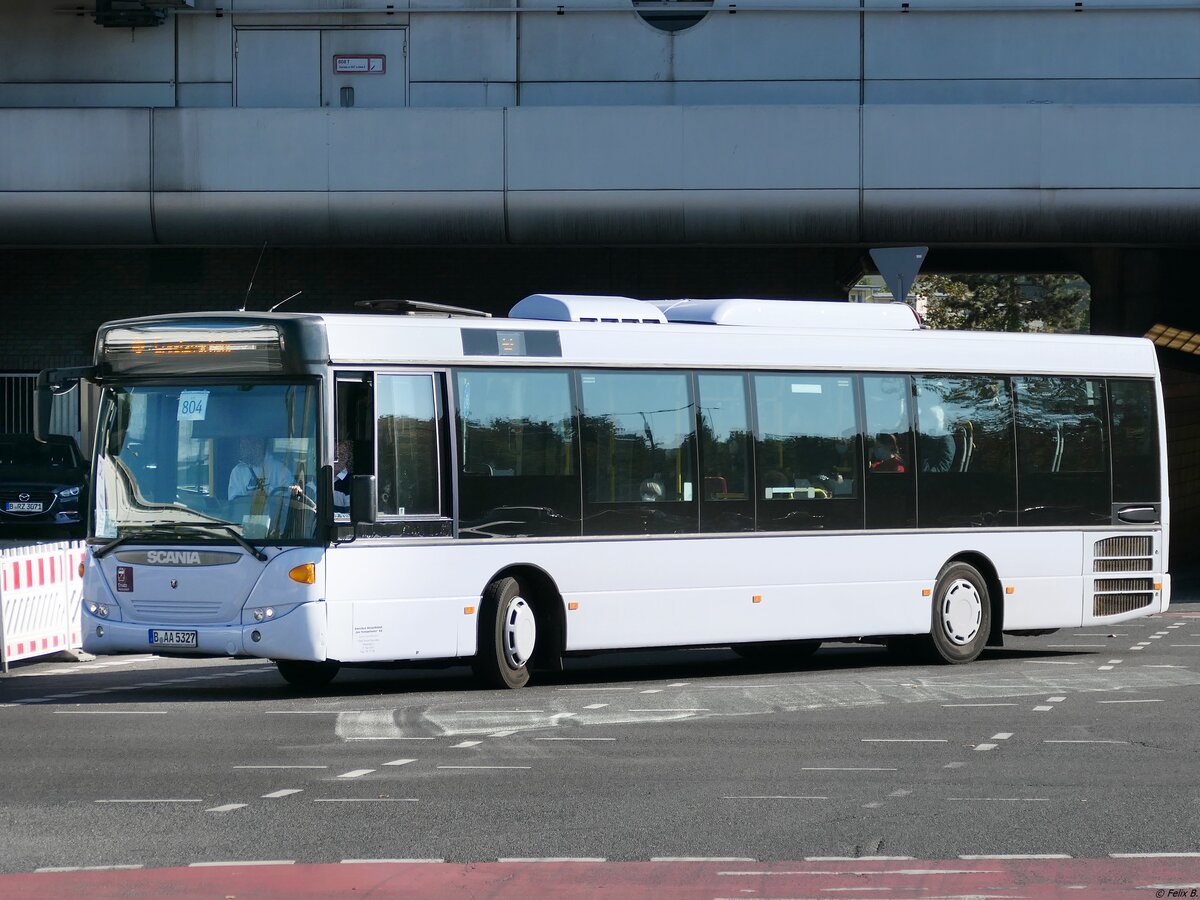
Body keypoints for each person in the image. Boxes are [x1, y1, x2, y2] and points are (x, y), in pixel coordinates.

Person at [227, 436, 299, 502]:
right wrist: (249, 498)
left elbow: (291, 496)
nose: (245, 448)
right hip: (244, 514)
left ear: (261, 445)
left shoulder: (280, 469)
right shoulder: (237, 471)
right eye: (243, 444)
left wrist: (267, 493)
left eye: (250, 443)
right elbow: (233, 502)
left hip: (274, 515)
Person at [333, 440, 353, 516]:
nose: (337, 459)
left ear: (347, 458)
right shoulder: (319, 478)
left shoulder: (350, 483)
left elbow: (350, 517)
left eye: (341, 454)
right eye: (334, 454)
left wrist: (328, 515)